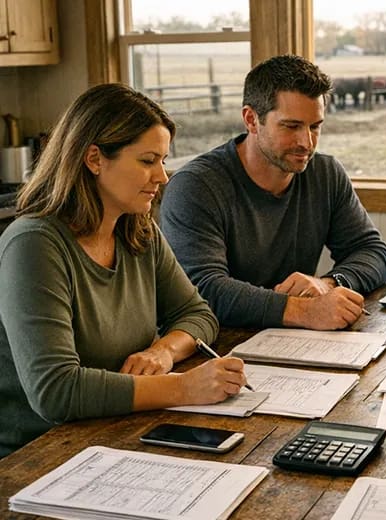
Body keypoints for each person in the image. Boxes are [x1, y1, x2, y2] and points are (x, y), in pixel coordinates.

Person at [0, 84, 250, 458]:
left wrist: (164, 352)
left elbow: (197, 314)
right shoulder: (34, 245)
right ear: (95, 159)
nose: (162, 177)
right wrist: (183, 387)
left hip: (120, 430)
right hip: (39, 453)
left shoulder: (138, 229)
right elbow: (55, 392)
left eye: (163, 161)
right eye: (148, 161)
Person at [160, 54, 386, 331]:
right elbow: (203, 289)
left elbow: (373, 252)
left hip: (294, 343)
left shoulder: (326, 173)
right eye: (291, 126)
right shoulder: (195, 186)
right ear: (251, 119)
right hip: (214, 350)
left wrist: (328, 283)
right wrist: (303, 310)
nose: (306, 142)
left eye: (315, 126)